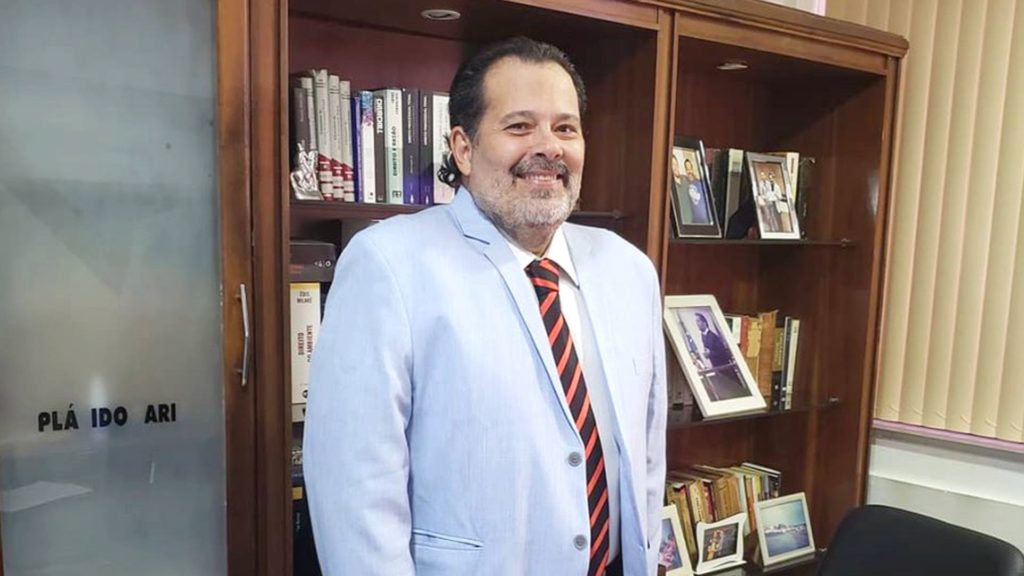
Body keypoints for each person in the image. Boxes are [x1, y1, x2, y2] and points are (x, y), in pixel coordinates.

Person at [303, 36, 667, 576]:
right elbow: (354, 490)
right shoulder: (389, 263)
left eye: (565, 128)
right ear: (464, 148)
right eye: (519, 126)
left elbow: (647, 454)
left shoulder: (629, 268)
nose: (549, 147)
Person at [682, 157, 712, 224]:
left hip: (706, 223)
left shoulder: (701, 184)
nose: (689, 171)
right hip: (694, 224)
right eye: (687, 169)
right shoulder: (685, 185)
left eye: (690, 168)